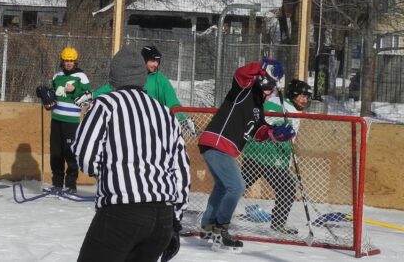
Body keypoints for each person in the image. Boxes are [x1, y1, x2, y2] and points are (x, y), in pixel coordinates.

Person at [71, 44, 190, 262]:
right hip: (162, 216)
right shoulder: (164, 113)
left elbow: (86, 155)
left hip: (122, 211)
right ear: (142, 78)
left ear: (114, 78)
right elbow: (181, 169)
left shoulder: (105, 105)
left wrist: (108, 171)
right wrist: (175, 220)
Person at [197, 57, 296, 253]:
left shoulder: (258, 108)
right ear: (262, 82)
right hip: (217, 142)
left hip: (222, 147)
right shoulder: (245, 90)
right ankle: (220, 229)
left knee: (223, 188)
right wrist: (261, 67)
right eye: (269, 88)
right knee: (236, 186)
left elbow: (258, 131)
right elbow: (241, 74)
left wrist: (274, 134)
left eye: (273, 90)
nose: (270, 93)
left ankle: (207, 227)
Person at [241, 79, 312, 235]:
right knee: (287, 188)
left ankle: (214, 215)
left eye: (307, 97)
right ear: (293, 95)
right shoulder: (277, 104)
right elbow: (261, 118)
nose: (305, 100)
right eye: (302, 96)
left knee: (238, 186)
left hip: (256, 155)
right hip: (268, 157)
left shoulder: (291, 108)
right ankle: (278, 225)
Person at [35, 46, 90, 192]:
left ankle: (71, 185)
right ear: (62, 60)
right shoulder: (57, 76)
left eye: (71, 60)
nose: (68, 63)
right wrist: (45, 95)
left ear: (75, 61)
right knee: (56, 152)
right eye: (66, 60)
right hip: (57, 119)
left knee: (70, 152)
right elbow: (54, 96)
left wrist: (75, 90)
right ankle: (57, 183)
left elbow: (88, 96)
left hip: (71, 121)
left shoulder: (81, 76)